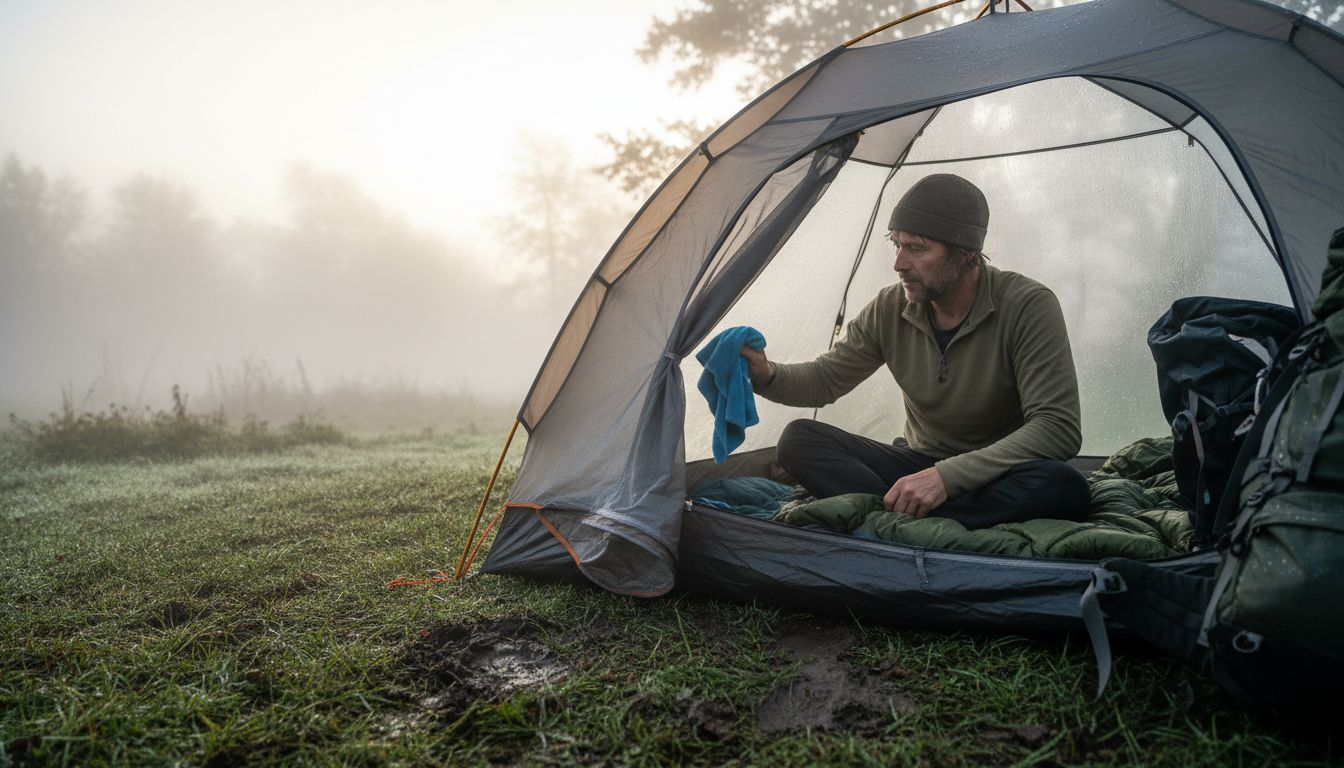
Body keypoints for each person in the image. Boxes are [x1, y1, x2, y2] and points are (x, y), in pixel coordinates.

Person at [741, 173, 1090, 528]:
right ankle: (930, 517)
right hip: (915, 463)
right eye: (897, 244)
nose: (899, 264)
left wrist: (946, 477)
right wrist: (767, 374)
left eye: (917, 248)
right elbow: (824, 380)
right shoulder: (890, 308)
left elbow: (1056, 427)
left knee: (1064, 486)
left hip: (996, 472)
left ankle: (901, 517)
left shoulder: (1027, 305)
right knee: (799, 439)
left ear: (967, 253)